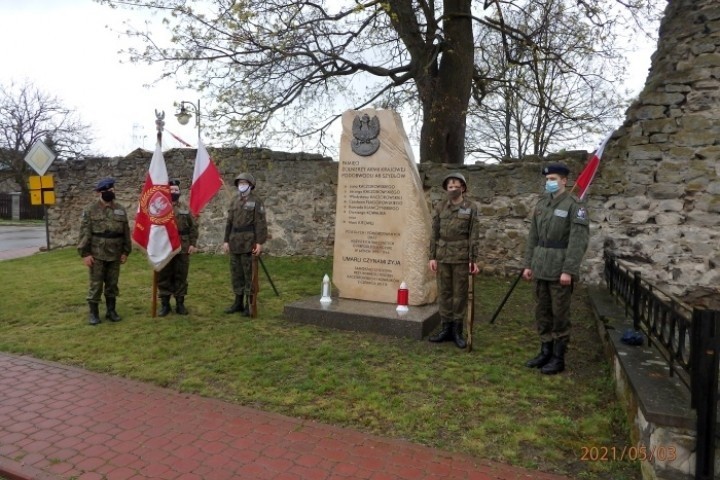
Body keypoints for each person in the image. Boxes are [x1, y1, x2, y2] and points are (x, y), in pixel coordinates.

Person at [522, 163, 590, 374]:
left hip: (559, 267)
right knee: (542, 311)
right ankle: (545, 351)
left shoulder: (574, 206)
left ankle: (558, 357)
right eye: (547, 179)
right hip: (540, 265)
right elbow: (533, 236)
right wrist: (528, 264)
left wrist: (568, 270)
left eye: (553, 179)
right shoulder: (542, 204)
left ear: (564, 181)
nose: (549, 182)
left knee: (559, 313)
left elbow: (578, 242)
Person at [428, 172, 481, 348]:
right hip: (443, 256)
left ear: (463, 188)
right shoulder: (440, 207)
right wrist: (432, 256)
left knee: (459, 294)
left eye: (456, 186)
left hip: (461, 257)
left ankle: (457, 330)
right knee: (444, 293)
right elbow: (434, 233)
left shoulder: (471, 207)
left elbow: (474, 234)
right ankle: (446, 328)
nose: (453, 189)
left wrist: (473, 259)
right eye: (450, 187)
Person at [77, 177, 132, 325]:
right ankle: (94, 314)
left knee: (112, 284)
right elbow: (84, 233)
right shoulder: (90, 210)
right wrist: (85, 254)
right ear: (99, 192)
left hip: (115, 253)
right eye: (107, 190)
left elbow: (126, 231)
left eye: (112, 190)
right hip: (97, 254)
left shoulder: (120, 209)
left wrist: (126, 252)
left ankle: (111, 311)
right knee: (96, 284)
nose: (110, 192)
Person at [223, 172, 268, 316]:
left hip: (249, 242)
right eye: (240, 183)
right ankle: (238, 302)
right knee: (236, 274)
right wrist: (226, 240)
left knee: (249, 274)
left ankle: (249, 304)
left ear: (250, 185)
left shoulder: (256, 201)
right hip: (235, 241)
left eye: (244, 183)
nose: (242, 185)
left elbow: (261, 224)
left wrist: (259, 242)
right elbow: (229, 222)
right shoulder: (234, 201)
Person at [158, 179, 199, 317]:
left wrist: (193, 244)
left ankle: (180, 304)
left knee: (181, 275)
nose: (174, 192)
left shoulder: (185, 208)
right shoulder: (160, 207)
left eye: (176, 190)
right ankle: (165, 305)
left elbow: (193, 227)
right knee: (164, 274)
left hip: (183, 247)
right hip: (165, 247)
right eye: (171, 190)